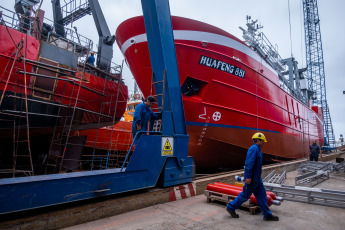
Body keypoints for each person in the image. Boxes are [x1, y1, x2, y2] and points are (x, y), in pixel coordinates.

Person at [226, 132, 279, 221]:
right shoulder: (253, 149)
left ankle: (267, 215)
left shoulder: (258, 149)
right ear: (258, 140)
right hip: (252, 179)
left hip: (257, 179)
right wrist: (248, 177)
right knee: (245, 195)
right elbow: (249, 164)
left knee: (262, 196)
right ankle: (231, 207)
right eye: (263, 141)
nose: (264, 143)